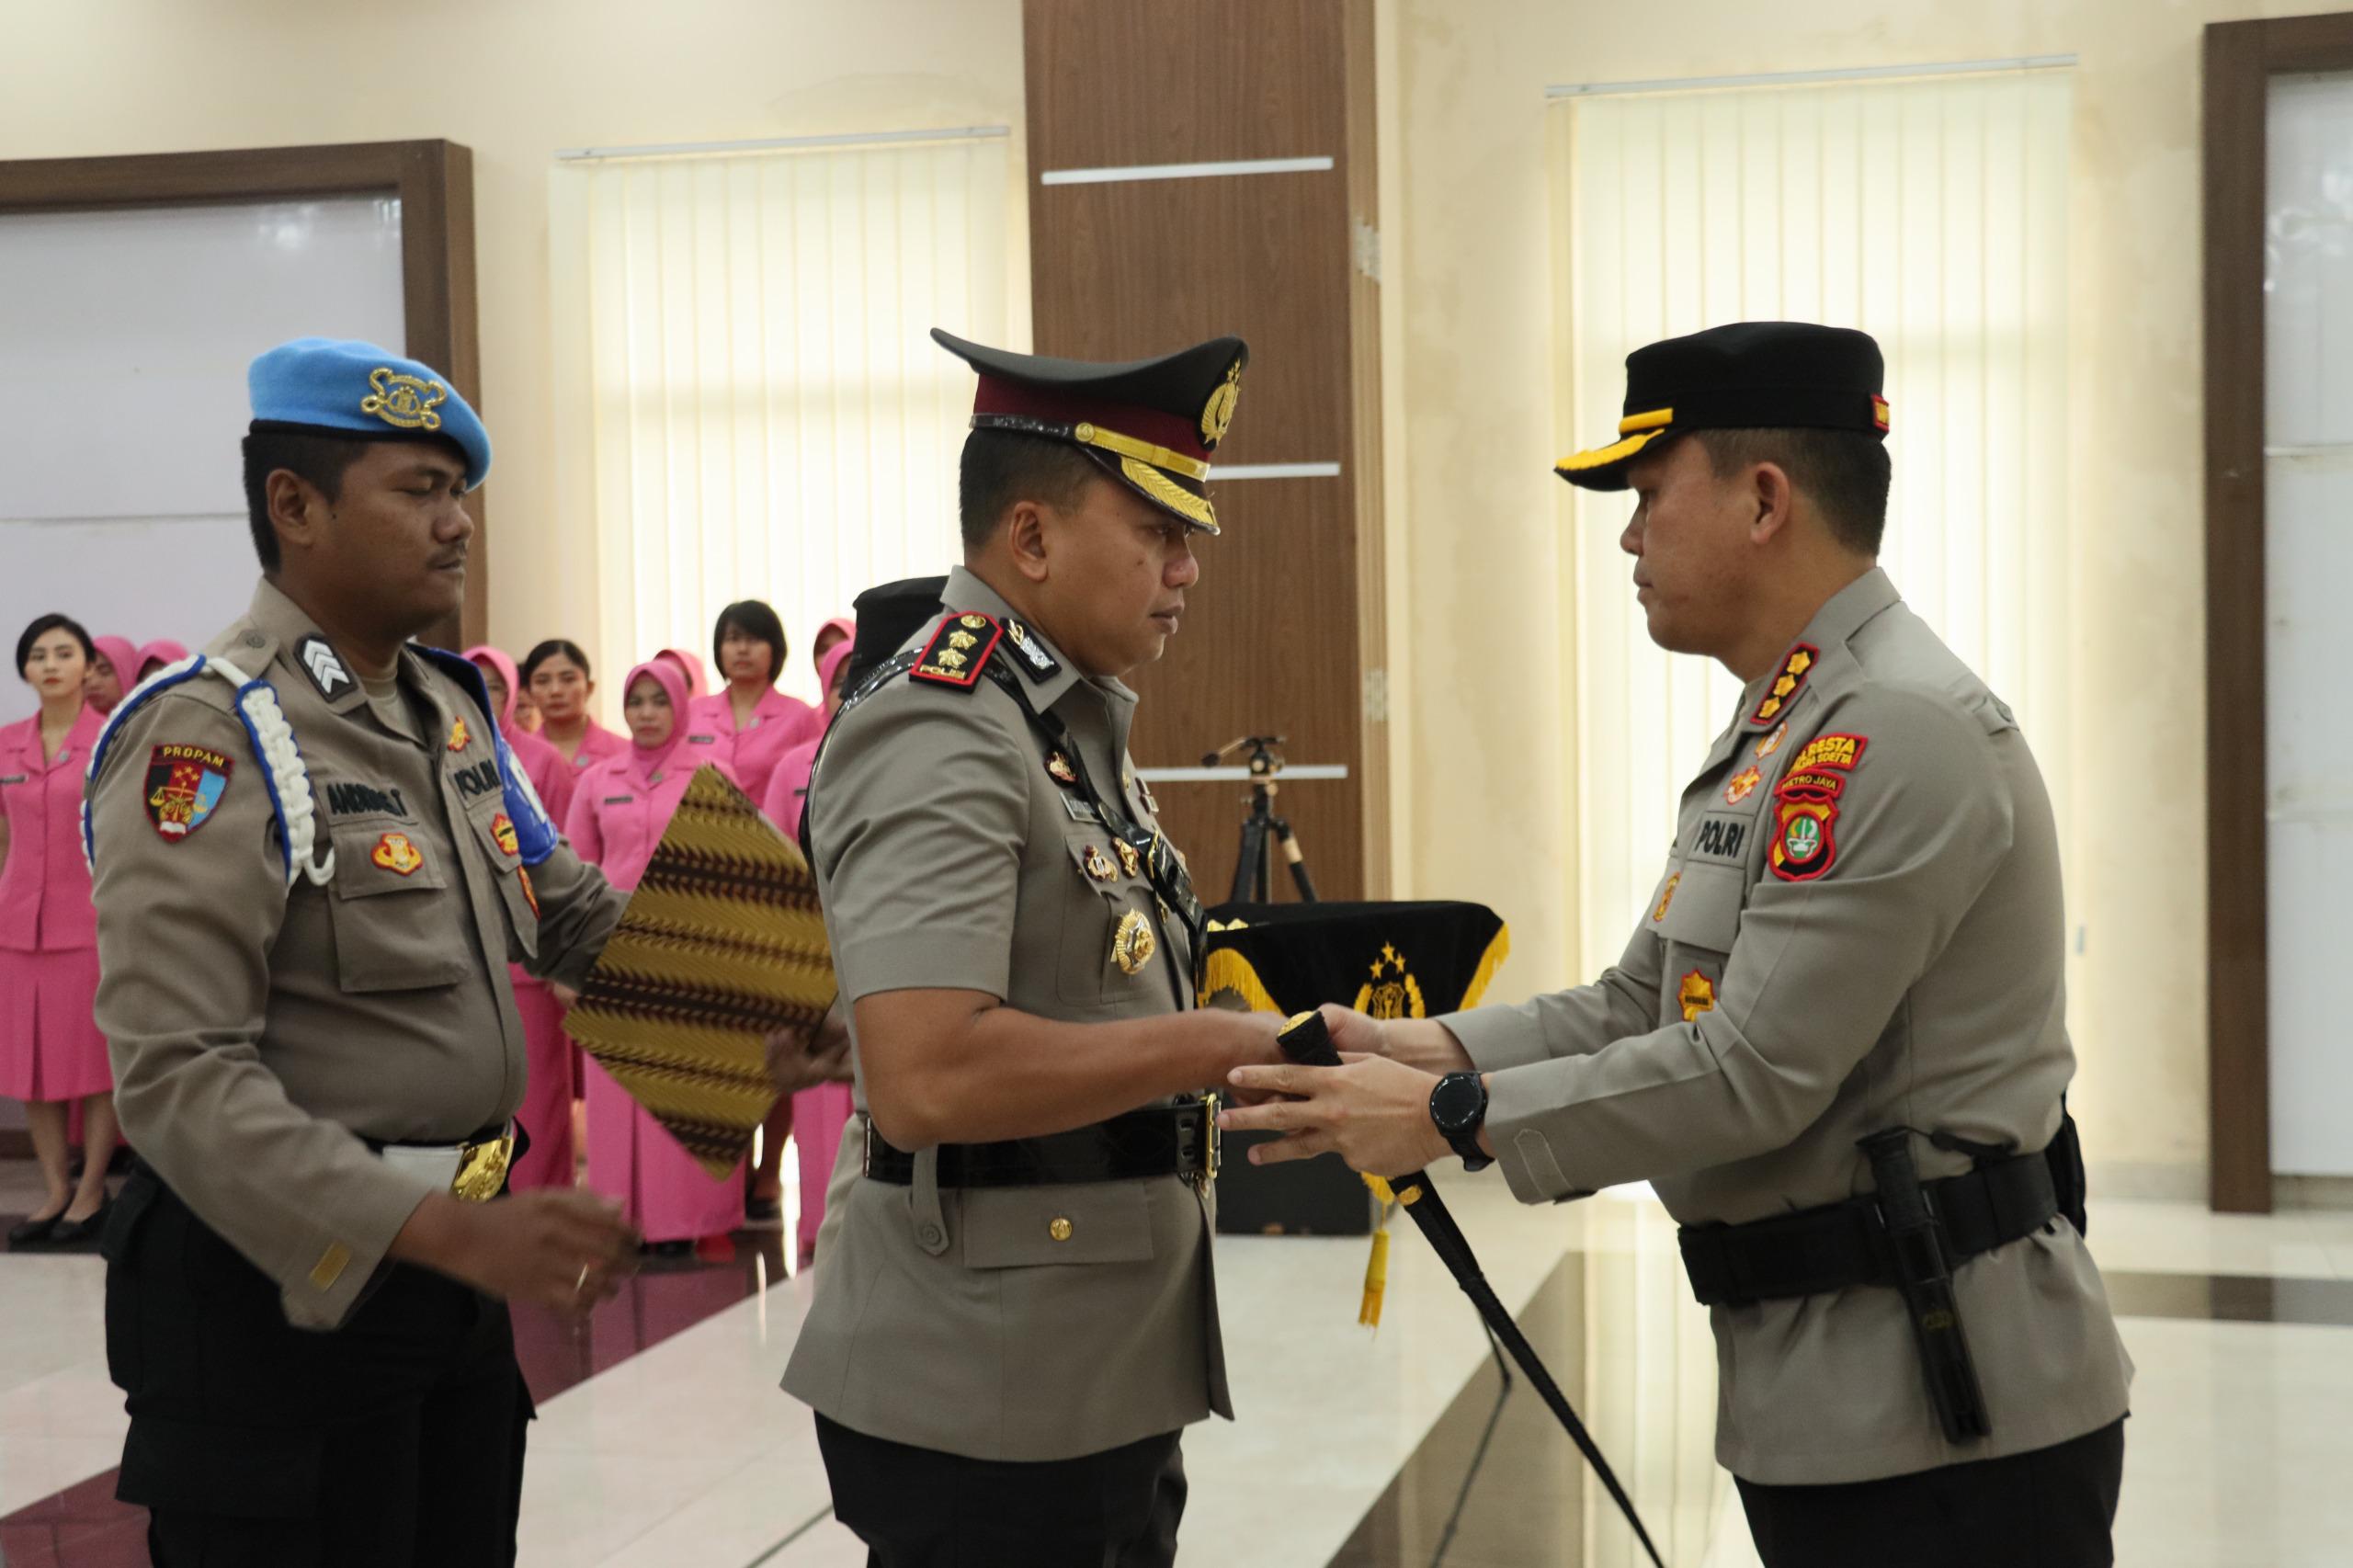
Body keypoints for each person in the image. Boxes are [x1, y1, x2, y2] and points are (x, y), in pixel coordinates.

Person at [1218, 323, 2135, 1568]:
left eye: (1649, 494)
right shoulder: (1786, 728)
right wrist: (1417, 1045)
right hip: (1833, 1389)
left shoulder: (1894, 730)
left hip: (1947, 1414)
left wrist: (1449, 1115)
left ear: (1763, 500)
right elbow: (1640, 1001)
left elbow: (1753, 1070)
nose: (1629, 536)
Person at [85, 336, 640, 1562]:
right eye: (419, 490)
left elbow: (569, 914)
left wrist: (794, 1007)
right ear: (296, 506)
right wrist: (439, 1228)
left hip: (453, 1277)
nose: (458, 523)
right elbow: (175, 1072)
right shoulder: (212, 733)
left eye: (461, 493)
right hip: (284, 1290)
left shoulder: (444, 711)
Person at [782, 327, 1286, 1567]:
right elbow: (929, 1074)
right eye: (1156, 532)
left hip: (1082, 1352)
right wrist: (1215, 1045)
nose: (1185, 568)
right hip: (990, 1379)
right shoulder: (945, 725)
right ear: (1031, 537)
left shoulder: (1055, 717)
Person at [565, 657, 747, 1254]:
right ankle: (623, 1224)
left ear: (681, 706)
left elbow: (735, 873)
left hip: (690, 958)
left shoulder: (714, 773)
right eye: (635, 702)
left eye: (658, 701)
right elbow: (575, 876)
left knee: (684, 1100)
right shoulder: (598, 780)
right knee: (618, 1105)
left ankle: (684, 1225)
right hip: (614, 959)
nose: (645, 714)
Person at [2, 613, 117, 1246]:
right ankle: (54, 1191)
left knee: (94, 1065)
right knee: (32, 1068)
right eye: (38, 655)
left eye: (64, 653)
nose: (50, 664)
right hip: (18, 929)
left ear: (88, 665)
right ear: (24, 669)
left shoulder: (111, 739)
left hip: (91, 925)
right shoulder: (5, 744)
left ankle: (92, 1190)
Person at [465, 644, 581, 1193]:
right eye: (473, 683)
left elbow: (562, 859)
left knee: (538, 1101)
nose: (481, 696)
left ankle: (540, 1210)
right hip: (466, 959)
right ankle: (482, 1205)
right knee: (477, 1098)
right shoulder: (442, 752)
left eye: (493, 686)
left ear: (513, 694)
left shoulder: (540, 760)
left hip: (529, 961)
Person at [750, 637, 854, 1248]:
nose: (851, 690)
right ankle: (818, 1229)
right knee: (817, 1101)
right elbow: (772, 865)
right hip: (810, 955)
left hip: (882, 944)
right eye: (840, 680)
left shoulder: (901, 755)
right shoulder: (793, 766)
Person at [691, 599, 815, 809]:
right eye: (733, 639)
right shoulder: (693, 713)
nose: (742, 649)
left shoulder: (800, 717)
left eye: (754, 640)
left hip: (775, 829)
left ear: (775, 649)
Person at [524, 638, 625, 771]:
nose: (556, 691)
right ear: (529, 692)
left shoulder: (624, 751)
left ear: (589, 688)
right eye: (542, 681)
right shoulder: (517, 757)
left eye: (568, 679)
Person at [87, 634, 140, 714]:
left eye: (104, 672)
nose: (93, 684)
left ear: (127, 673)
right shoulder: (70, 720)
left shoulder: (151, 718)